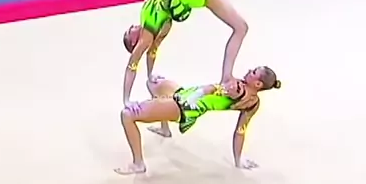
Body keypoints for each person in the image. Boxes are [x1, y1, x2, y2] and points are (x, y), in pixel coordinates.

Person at [115, 67, 281, 175]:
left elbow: (212, 88)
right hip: (185, 96)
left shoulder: (237, 88)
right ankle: (165, 129)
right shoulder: (253, 102)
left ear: (257, 83)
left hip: (184, 106)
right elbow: (241, 131)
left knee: (127, 115)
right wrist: (238, 160)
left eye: (253, 72)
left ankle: (138, 164)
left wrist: (197, 94)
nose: (249, 70)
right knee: (153, 83)